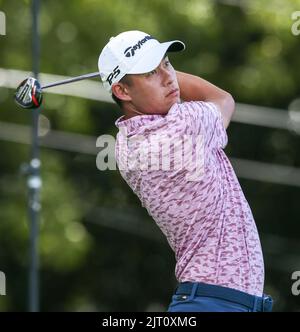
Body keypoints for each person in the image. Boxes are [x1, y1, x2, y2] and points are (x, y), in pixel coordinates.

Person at [98, 30, 273, 312]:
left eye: (167, 64)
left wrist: (149, 72)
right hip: (213, 302)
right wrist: (165, 72)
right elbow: (223, 98)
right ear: (122, 91)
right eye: (151, 73)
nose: (169, 77)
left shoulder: (125, 143)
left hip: (215, 300)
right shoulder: (180, 128)